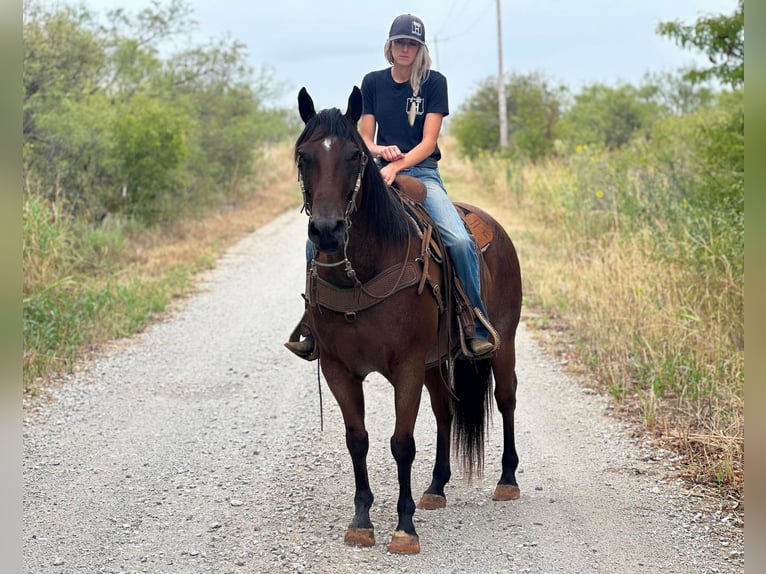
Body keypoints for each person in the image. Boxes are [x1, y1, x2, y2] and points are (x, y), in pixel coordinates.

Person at [285, 13, 495, 360]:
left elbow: (428, 142)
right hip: (378, 171)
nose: (405, 49)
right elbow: (364, 137)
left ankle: (474, 318)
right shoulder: (373, 82)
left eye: (412, 44)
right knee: (317, 241)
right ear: (390, 46)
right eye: (400, 43)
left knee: (458, 238)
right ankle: (312, 319)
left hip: (422, 172)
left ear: (420, 49)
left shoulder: (433, 83)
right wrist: (380, 152)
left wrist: (398, 164)